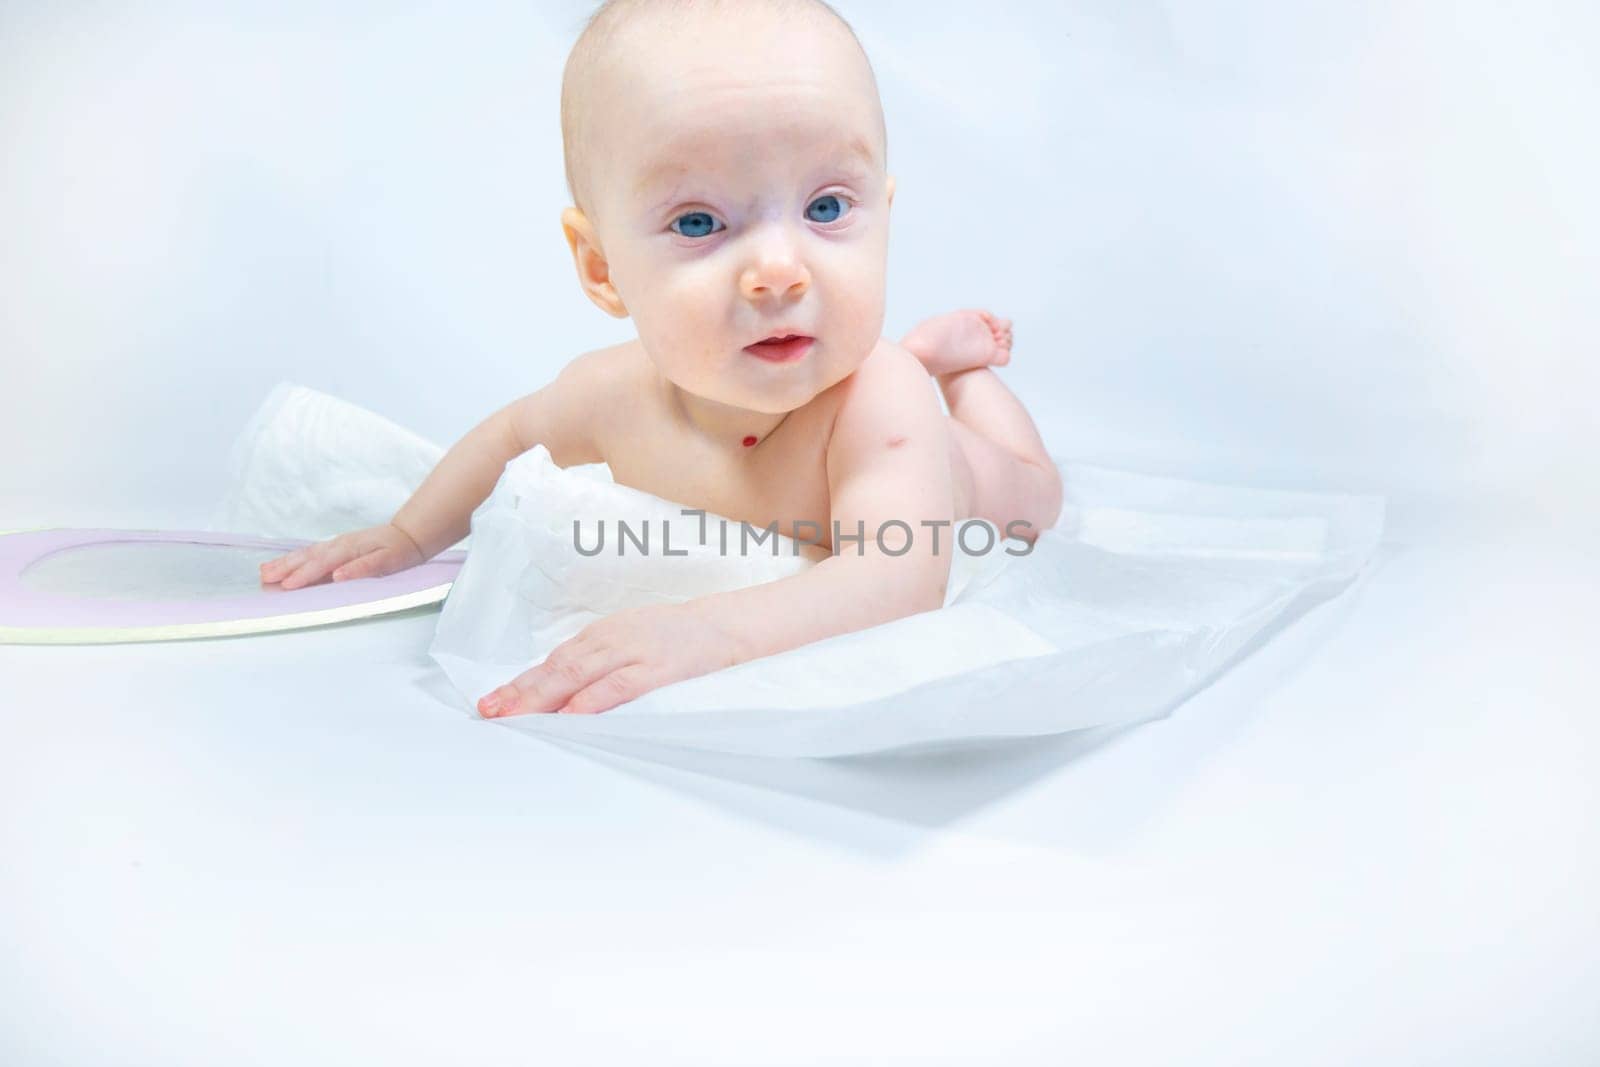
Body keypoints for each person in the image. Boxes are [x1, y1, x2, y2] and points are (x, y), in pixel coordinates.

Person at [259, 0, 1062, 717]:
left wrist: (705, 631)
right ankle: (937, 357)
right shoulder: (610, 394)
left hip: (952, 482)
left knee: (1034, 495)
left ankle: (956, 373)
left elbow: (897, 578)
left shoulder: (877, 401)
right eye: (699, 222)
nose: (780, 270)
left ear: (881, 216)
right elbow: (508, 436)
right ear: (602, 268)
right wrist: (408, 534)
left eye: (826, 207)